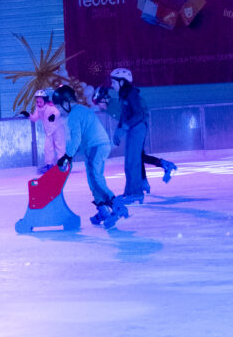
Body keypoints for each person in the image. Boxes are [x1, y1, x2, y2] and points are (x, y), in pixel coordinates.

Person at [52, 85, 128, 228]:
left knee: (95, 178)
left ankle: (116, 205)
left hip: (96, 146)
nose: (60, 111)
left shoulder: (74, 114)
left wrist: (67, 156)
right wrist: (70, 155)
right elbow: (81, 138)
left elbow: (76, 139)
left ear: (66, 102)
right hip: (96, 146)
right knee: (92, 178)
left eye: (60, 107)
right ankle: (102, 209)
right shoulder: (81, 110)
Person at [109, 68, 149, 204]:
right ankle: (129, 192)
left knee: (133, 161)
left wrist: (124, 128)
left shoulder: (132, 93)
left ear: (122, 82)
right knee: (128, 162)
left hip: (138, 127)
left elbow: (139, 114)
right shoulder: (123, 94)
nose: (111, 85)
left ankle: (137, 193)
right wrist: (117, 130)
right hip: (131, 128)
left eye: (113, 82)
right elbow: (124, 115)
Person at [28, 88, 66, 172]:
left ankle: (62, 164)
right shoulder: (38, 109)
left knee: (60, 146)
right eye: (37, 102)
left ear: (45, 100)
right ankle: (49, 165)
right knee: (47, 148)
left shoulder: (50, 107)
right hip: (49, 131)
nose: (38, 104)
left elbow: (57, 113)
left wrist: (53, 116)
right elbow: (34, 118)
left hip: (57, 129)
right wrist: (28, 115)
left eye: (40, 102)